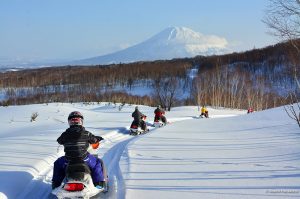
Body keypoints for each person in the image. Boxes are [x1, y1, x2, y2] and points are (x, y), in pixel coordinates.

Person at [52, 111, 105, 189]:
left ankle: (56, 184)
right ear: (81, 122)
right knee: (98, 162)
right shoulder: (86, 133)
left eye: (75, 120)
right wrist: (98, 138)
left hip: (68, 160)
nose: (74, 122)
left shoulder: (65, 134)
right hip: (84, 159)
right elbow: (93, 140)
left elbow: (59, 140)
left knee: (57, 163)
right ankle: (99, 183)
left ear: (69, 122)